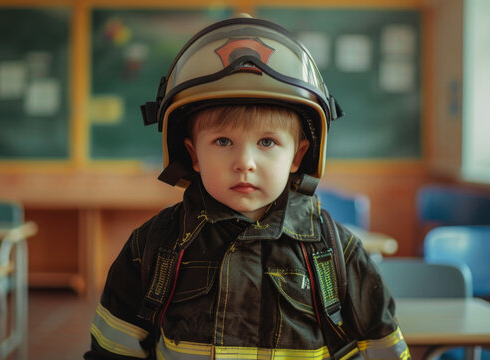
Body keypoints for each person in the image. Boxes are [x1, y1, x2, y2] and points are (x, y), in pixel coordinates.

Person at [84, 14, 410, 360]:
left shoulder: (334, 252)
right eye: (223, 141)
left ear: (298, 156)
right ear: (193, 155)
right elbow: (112, 352)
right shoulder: (152, 247)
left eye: (267, 142)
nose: (245, 162)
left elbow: (383, 352)